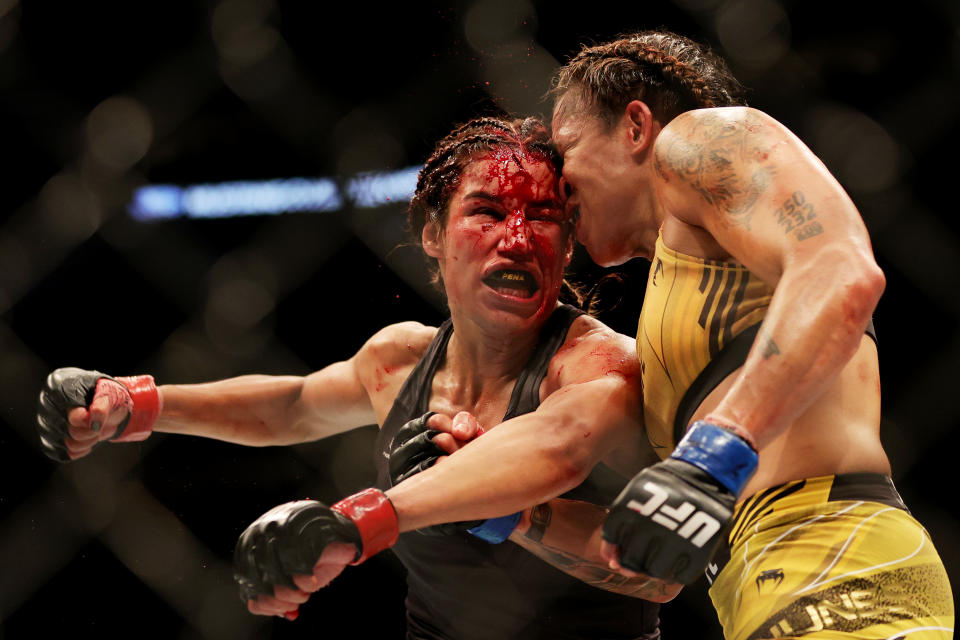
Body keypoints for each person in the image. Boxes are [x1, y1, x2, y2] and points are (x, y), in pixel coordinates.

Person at [36, 115, 678, 639]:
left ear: (567, 247)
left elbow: (638, 549)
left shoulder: (599, 364)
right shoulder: (400, 358)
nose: (516, 239)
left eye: (542, 217)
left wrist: (487, 516)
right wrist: (136, 401)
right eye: (486, 211)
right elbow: (292, 405)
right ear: (433, 233)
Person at [547, 29, 954, 639]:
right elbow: (657, 574)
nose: (557, 183)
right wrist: (515, 518)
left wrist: (712, 455)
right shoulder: (676, 293)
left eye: (566, 149)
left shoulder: (702, 138)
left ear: (634, 126)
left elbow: (841, 270)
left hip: (837, 564)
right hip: (768, 589)